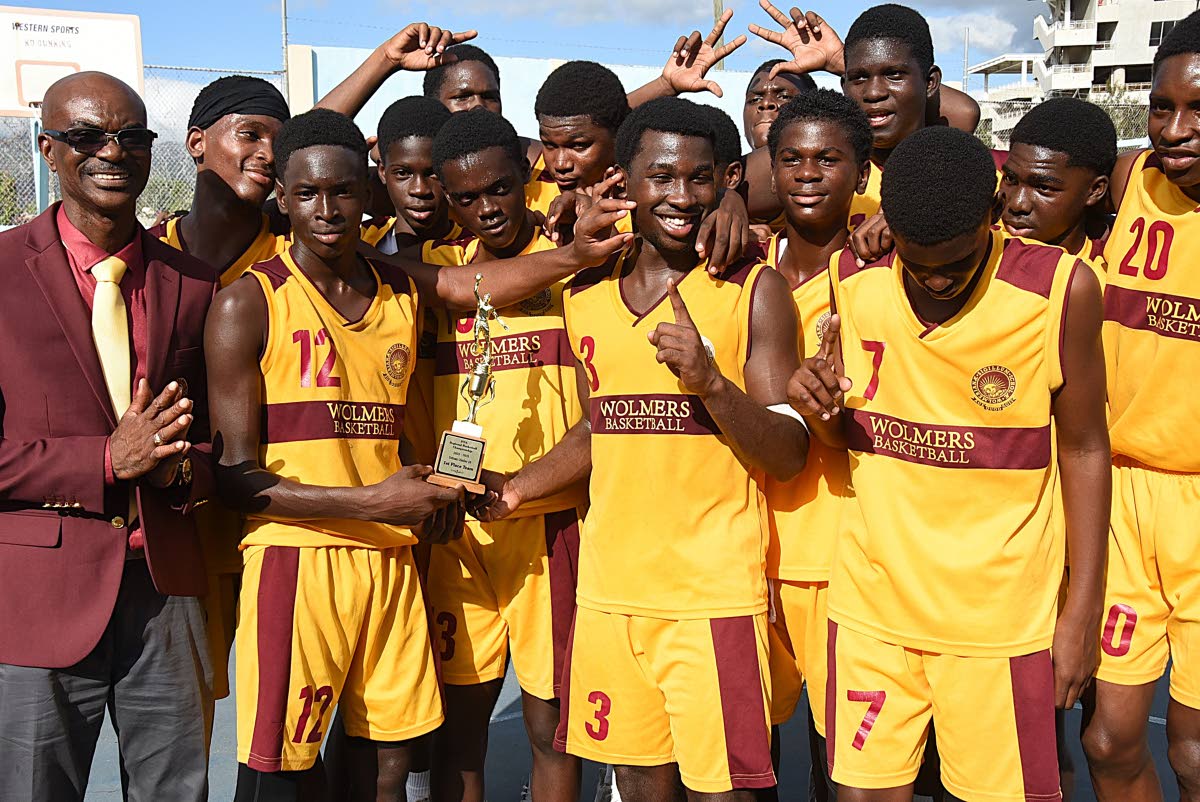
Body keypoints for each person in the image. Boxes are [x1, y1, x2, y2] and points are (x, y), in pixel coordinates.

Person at [206, 107, 633, 802]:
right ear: (282, 199)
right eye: (307, 193)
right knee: (282, 764)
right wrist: (374, 502)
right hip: (304, 556)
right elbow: (233, 478)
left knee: (392, 760)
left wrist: (578, 253)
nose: (326, 208)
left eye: (342, 191)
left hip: (401, 556)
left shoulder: (401, 288)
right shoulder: (249, 303)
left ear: (363, 192)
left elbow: (477, 290)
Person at [481, 96, 810, 801]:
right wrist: (515, 489)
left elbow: (788, 451)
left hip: (713, 596)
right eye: (660, 177)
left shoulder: (755, 290)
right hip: (609, 593)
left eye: (698, 179)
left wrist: (712, 385)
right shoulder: (587, 295)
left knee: (728, 791)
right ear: (625, 181)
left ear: (726, 182)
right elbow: (600, 428)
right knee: (637, 782)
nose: (679, 196)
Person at [788, 125, 1108, 801]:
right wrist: (819, 411)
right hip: (873, 605)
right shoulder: (854, 277)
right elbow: (852, 437)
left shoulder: (1061, 290)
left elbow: (1084, 448)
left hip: (1000, 623)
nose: (935, 277)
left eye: (956, 264)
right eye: (917, 259)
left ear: (992, 218)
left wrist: (1080, 614)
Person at [0, 71, 216, 802]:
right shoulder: (0, 274)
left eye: (131, 136)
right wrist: (105, 461)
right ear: (48, 150)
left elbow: (221, 441)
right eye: (88, 137)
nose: (112, 152)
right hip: (39, 601)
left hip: (167, 592)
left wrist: (179, 472)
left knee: (176, 791)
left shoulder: (195, 283)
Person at [418, 108, 588, 802]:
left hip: (547, 527)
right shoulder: (434, 274)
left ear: (528, 175)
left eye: (499, 189)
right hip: (460, 530)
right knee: (461, 728)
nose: (485, 209)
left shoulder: (578, 266)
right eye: (465, 197)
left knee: (551, 728)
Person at [1082, 13, 1200, 801]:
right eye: (1162, 107)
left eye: (1198, 112)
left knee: (1193, 755)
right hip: (1122, 495)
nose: (1177, 129)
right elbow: (961, 130)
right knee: (1109, 738)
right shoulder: (1128, 182)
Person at [149, 72, 293, 704]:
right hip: (186, 520)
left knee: (289, 721)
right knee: (188, 710)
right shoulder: (150, 253)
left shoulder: (294, 258)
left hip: (280, 510)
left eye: (279, 145)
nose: (266, 153)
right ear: (196, 142)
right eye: (249, 134)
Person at [758, 89, 870, 799]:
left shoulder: (886, 268)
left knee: (842, 764)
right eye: (792, 159)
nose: (807, 173)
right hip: (749, 547)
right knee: (748, 758)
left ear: (863, 175)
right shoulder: (739, 261)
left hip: (843, 550)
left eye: (828, 159)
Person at [743, 2, 987, 230]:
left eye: (893, 74)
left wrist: (841, 60)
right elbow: (724, 184)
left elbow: (966, 113)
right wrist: (728, 208)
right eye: (858, 77)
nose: (873, 93)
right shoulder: (817, 157)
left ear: (931, 82)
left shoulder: (952, 163)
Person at [1000, 97, 1116, 272]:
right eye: (1010, 179)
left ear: (1094, 191)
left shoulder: (1108, 274)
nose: (1017, 204)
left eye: (1043, 188)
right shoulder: (975, 244)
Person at [361, 95, 461, 256]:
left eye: (433, 173)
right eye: (402, 173)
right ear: (382, 171)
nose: (420, 189)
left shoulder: (475, 251)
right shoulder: (362, 240)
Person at [743, 58, 817, 150]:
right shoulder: (725, 164)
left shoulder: (838, 163)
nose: (766, 103)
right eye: (755, 99)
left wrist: (838, 63)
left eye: (784, 96)